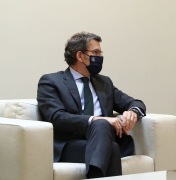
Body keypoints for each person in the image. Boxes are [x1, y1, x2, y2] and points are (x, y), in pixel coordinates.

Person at [37, 32, 146, 178]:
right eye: (95, 52)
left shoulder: (104, 82)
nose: (100, 56)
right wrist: (97, 120)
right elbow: (57, 117)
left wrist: (132, 112)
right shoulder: (51, 81)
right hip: (70, 144)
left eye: (101, 52)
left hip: (102, 141)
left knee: (110, 144)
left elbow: (135, 103)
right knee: (107, 137)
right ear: (80, 56)